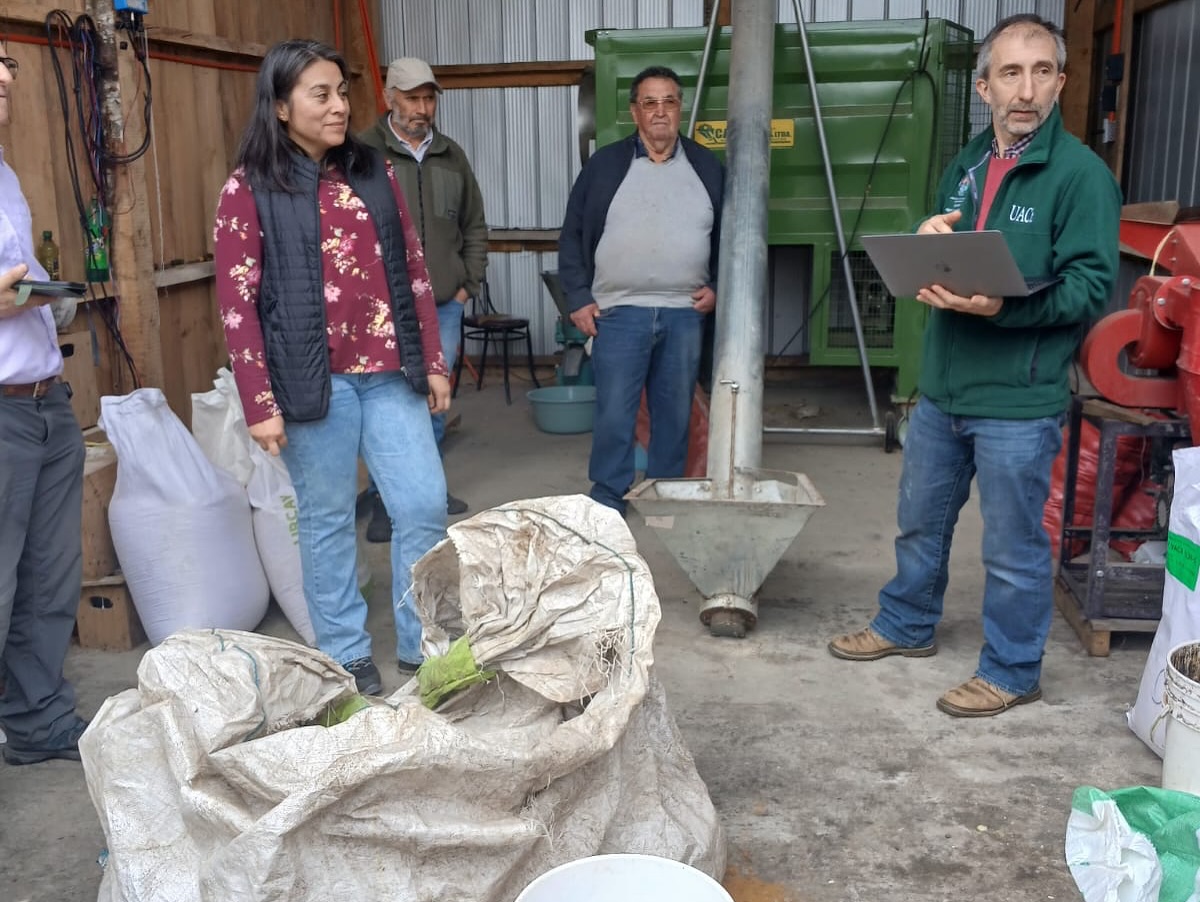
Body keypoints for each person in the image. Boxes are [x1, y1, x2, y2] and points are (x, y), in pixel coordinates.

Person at [828, 14, 1121, 717]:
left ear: (1060, 82)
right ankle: (906, 624)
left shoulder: (1081, 177)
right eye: (1010, 73)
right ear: (985, 87)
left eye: (1042, 72)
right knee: (919, 522)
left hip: (1017, 399)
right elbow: (950, 250)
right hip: (944, 389)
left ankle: (1013, 670)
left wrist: (1001, 307)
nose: (1026, 90)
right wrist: (928, 238)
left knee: (1013, 547)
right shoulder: (966, 164)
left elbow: (1089, 289)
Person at [214, 39, 451, 694]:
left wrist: (432, 359)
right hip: (311, 382)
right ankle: (345, 651)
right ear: (281, 106)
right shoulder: (249, 188)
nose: (339, 106)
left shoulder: (374, 172)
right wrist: (258, 401)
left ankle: (421, 642)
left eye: (342, 93)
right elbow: (237, 305)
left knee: (423, 504)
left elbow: (413, 269)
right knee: (327, 520)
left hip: (390, 374)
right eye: (320, 94)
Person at [558, 65, 723, 515]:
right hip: (618, 312)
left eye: (669, 101)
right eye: (650, 103)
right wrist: (578, 298)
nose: (660, 111)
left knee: (674, 413)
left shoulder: (707, 167)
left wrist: (717, 287)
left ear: (680, 108)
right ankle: (609, 497)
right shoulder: (605, 166)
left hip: (684, 312)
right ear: (635, 112)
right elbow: (572, 234)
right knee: (615, 412)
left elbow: (732, 238)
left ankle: (663, 494)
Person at [0, 46, 90, 765]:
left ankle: (37, 723)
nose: (5, 76)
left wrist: (46, 298)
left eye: (7, 63)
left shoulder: (4, 174)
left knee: (48, 578)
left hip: (45, 402)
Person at [359, 56, 487, 538]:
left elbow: (474, 224)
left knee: (435, 398)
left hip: (443, 304)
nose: (422, 108)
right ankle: (383, 500)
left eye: (428, 98)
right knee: (386, 403)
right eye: (412, 98)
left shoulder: (451, 156)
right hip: (384, 310)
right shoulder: (362, 153)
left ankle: (427, 488)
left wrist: (467, 283)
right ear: (389, 98)